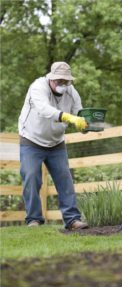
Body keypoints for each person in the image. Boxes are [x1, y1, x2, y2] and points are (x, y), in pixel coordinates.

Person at [18, 61, 89, 229]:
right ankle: (34, 220)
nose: (63, 85)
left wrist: (84, 125)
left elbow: (79, 113)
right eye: (59, 81)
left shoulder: (72, 93)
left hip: (56, 142)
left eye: (66, 82)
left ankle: (72, 220)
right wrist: (68, 117)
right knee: (31, 177)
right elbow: (44, 109)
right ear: (51, 79)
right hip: (31, 139)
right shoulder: (37, 87)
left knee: (65, 180)